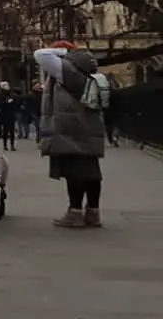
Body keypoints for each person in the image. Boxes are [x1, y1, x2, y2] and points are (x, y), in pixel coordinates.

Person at [35, 41, 107, 228]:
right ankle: (93, 212)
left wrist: (62, 51)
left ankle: (75, 212)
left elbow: (40, 54)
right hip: (87, 128)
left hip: (71, 130)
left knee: (74, 172)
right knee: (91, 173)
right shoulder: (84, 71)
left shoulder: (68, 70)